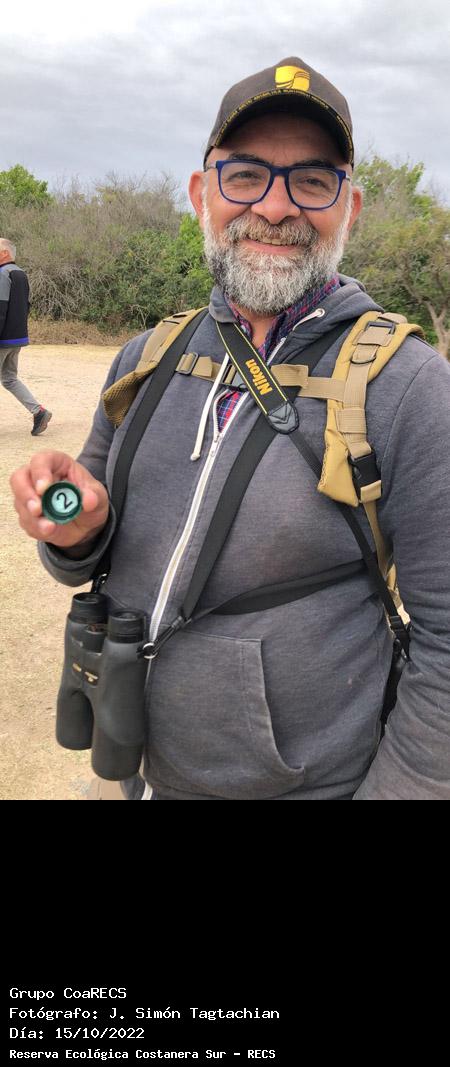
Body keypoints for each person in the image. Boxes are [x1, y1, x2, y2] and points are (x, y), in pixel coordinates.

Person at [9, 56, 450, 800]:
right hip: (133, 769)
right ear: (201, 194)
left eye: (312, 180)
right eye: (245, 175)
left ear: (350, 206)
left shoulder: (408, 385)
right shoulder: (148, 356)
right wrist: (75, 531)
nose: (275, 208)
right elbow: (81, 562)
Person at [0, 238, 52, 434]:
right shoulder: (21, 274)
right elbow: (25, 306)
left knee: (9, 379)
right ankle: (39, 412)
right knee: (9, 379)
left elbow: (1, 308)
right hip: (17, 338)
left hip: (3, 338)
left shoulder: (3, 273)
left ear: (5, 253)